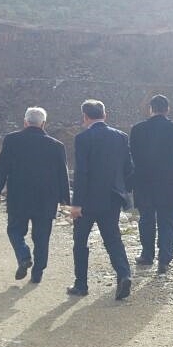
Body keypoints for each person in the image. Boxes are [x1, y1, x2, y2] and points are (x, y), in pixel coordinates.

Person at [0, 106, 70, 284]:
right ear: (43, 124)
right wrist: (65, 198)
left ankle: (23, 255)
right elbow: (62, 173)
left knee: (14, 230)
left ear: (25, 122)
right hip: (46, 199)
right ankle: (37, 273)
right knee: (42, 237)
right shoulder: (56, 145)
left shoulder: (12, 140)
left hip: (19, 197)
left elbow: (2, 167)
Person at [68, 99, 134, 300]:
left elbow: (82, 172)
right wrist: (124, 190)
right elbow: (129, 168)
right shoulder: (121, 137)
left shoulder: (82, 138)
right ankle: (124, 274)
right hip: (112, 198)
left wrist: (76, 203)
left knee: (80, 241)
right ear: (105, 115)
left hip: (87, 200)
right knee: (113, 239)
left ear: (85, 116)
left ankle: (81, 285)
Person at [130, 94, 173, 274]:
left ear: (151, 109)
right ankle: (164, 260)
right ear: (167, 109)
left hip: (144, 184)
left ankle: (147, 255)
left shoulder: (138, 130)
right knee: (169, 222)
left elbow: (131, 160)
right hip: (171, 186)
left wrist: (130, 183)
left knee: (146, 220)